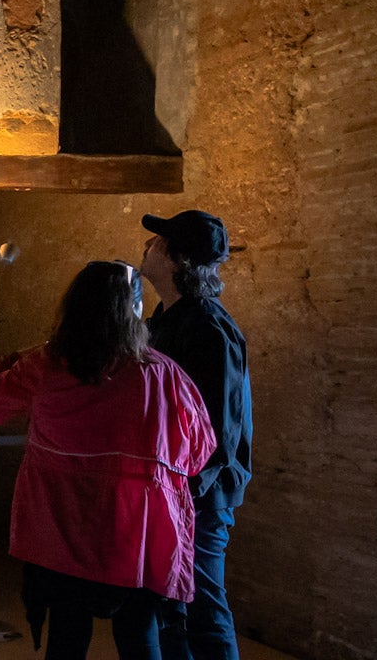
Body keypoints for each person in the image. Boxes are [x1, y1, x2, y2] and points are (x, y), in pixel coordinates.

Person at [0, 261, 217, 660]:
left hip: (65, 527)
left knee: (67, 636)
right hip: (138, 532)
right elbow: (200, 450)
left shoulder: (49, 364)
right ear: (133, 310)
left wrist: (10, 361)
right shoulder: (164, 374)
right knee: (140, 638)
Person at [140, 210, 252, 660]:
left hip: (198, 497)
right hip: (171, 490)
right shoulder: (167, 319)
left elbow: (219, 430)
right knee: (170, 611)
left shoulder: (208, 328)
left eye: (156, 243)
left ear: (176, 258)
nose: (147, 248)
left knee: (203, 610)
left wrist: (186, 492)